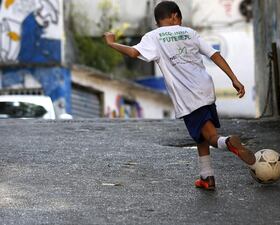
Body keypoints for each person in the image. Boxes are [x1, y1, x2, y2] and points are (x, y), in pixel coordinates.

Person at [103, 1, 255, 190]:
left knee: (210, 136)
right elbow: (214, 55)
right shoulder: (190, 33)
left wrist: (111, 43)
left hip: (188, 96)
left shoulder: (153, 36)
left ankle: (228, 143)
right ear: (175, 16)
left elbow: (133, 52)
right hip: (206, 89)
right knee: (201, 135)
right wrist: (234, 79)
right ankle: (207, 177)